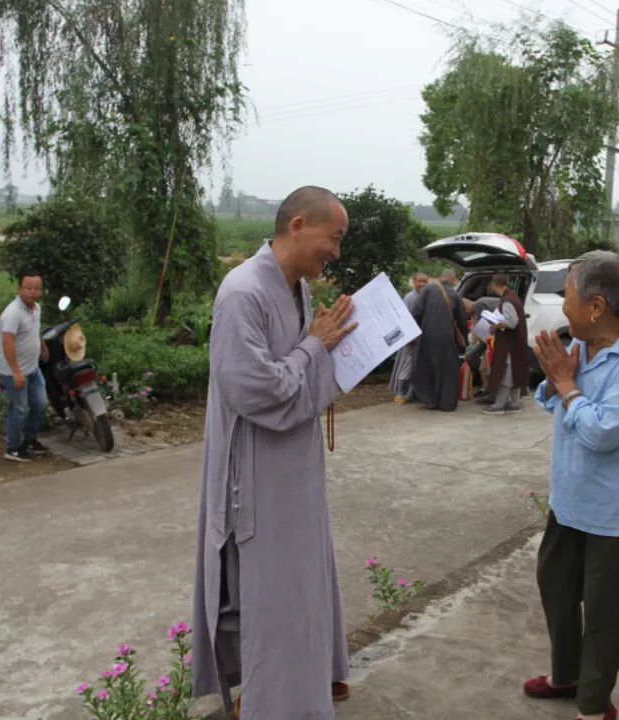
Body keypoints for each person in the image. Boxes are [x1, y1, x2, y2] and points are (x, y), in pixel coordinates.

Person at [191, 186, 359, 720]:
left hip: (296, 464)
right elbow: (253, 388)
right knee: (270, 592)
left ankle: (307, 683)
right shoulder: (243, 292)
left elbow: (302, 361)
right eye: (333, 238)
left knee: (303, 579)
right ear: (298, 226)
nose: (335, 251)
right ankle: (269, 702)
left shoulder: (295, 287)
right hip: (259, 472)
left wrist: (334, 344)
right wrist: (316, 346)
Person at [526, 251, 619, 720]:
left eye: (567, 295)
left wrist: (567, 388)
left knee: (603, 614)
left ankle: (592, 704)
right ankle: (566, 676)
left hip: (618, 511)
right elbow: (554, 402)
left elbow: (603, 432)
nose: (563, 305)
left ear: (597, 306)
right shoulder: (582, 346)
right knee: (556, 587)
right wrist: (557, 381)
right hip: (571, 500)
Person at [0, 271, 50, 462]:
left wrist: (42, 347)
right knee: (19, 409)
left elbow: (35, 330)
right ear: (20, 289)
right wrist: (17, 372)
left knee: (41, 404)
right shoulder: (12, 313)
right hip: (14, 372)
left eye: (37, 288)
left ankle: (29, 440)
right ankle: (12, 448)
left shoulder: (36, 308)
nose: (33, 292)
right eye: (29, 288)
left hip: (33, 369)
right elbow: (7, 344)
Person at [410, 268, 468, 411]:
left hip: (427, 336)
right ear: (453, 281)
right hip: (446, 338)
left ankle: (429, 400)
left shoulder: (428, 290)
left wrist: (414, 336)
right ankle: (447, 403)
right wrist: (464, 341)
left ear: (441, 278)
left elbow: (416, 312)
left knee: (426, 367)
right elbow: (462, 321)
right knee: (447, 370)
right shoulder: (455, 295)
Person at [482, 274, 530, 416]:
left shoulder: (507, 301)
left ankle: (499, 405)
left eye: (492, 285)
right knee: (514, 373)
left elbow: (511, 323)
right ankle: (515, 404)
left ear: (497, 285)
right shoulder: (513, 297)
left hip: (510, 345)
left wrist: (495, 324)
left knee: (506, 374)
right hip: (516, 344)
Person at [389, 272, 429, 403]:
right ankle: (400, 394)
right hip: (411, 338)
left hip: (421, 337)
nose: (422, 284)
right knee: (406, 366)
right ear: (414, 282)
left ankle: (410, 394)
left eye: (425, 281)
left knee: (416, 367)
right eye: (419, 281)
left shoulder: (426, 296)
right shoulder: (410, 298)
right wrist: (410, 338)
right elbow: (404, 319)